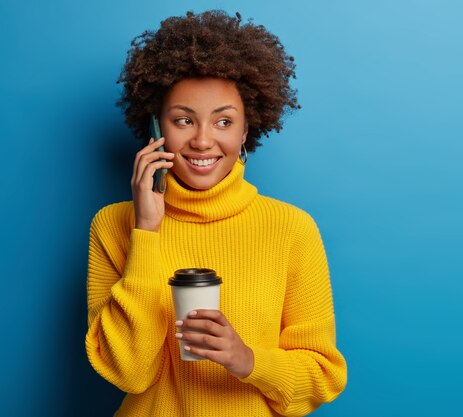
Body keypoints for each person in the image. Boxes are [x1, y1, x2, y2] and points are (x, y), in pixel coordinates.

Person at [85, 10, 347, 417]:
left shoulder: (291, 228)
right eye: (184, 120)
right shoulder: (114, 225)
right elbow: (129, 373)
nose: (203, 140)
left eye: (223, 121)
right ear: (156, 127)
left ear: (245, 131)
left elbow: (322, 374)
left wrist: (247, 360)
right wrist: (147, 230)